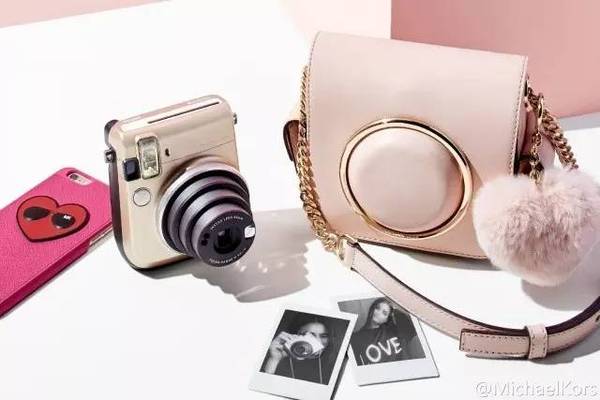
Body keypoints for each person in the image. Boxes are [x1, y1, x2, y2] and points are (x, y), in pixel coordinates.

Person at [350, 298, 424, 365]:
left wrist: (395, 306)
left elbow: (414, 322)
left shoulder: (394, 330)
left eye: (384, 313)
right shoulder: (355, 338)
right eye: (377, 308)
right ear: (372, 308)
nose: (378, 313)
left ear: (386, 319)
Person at [262, 317, 335, 384]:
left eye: (324, 336)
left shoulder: (334, 365)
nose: (318, 341)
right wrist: (274, 360)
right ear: (295, 335)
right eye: (311, 336)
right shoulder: (283, 359)